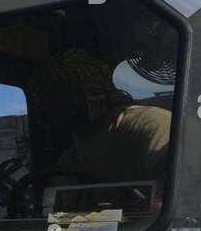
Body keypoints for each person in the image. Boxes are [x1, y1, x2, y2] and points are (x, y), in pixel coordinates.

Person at [27, 48, 171, 186]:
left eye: (51, 98)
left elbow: (180, 185)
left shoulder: (146, 124)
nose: (43, 110)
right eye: (40, 101)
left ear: (86, 93)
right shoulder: (70, 159)